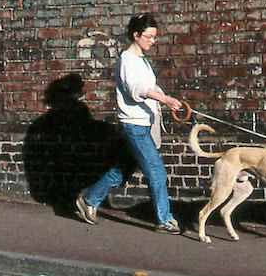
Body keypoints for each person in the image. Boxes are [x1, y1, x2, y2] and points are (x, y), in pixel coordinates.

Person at [75, 13, 184, 233]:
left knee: (120, 170)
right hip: (134, 126)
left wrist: (167, 99)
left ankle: (89, 200)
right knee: (157, 172)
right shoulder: (127, 59)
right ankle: (164, 219)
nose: (153, 41)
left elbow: (149, 88)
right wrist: (164, 99)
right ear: (135, 35)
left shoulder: (142, 60)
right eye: (148, 36)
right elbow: (135, 89)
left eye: (154, 37)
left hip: (142, 125)